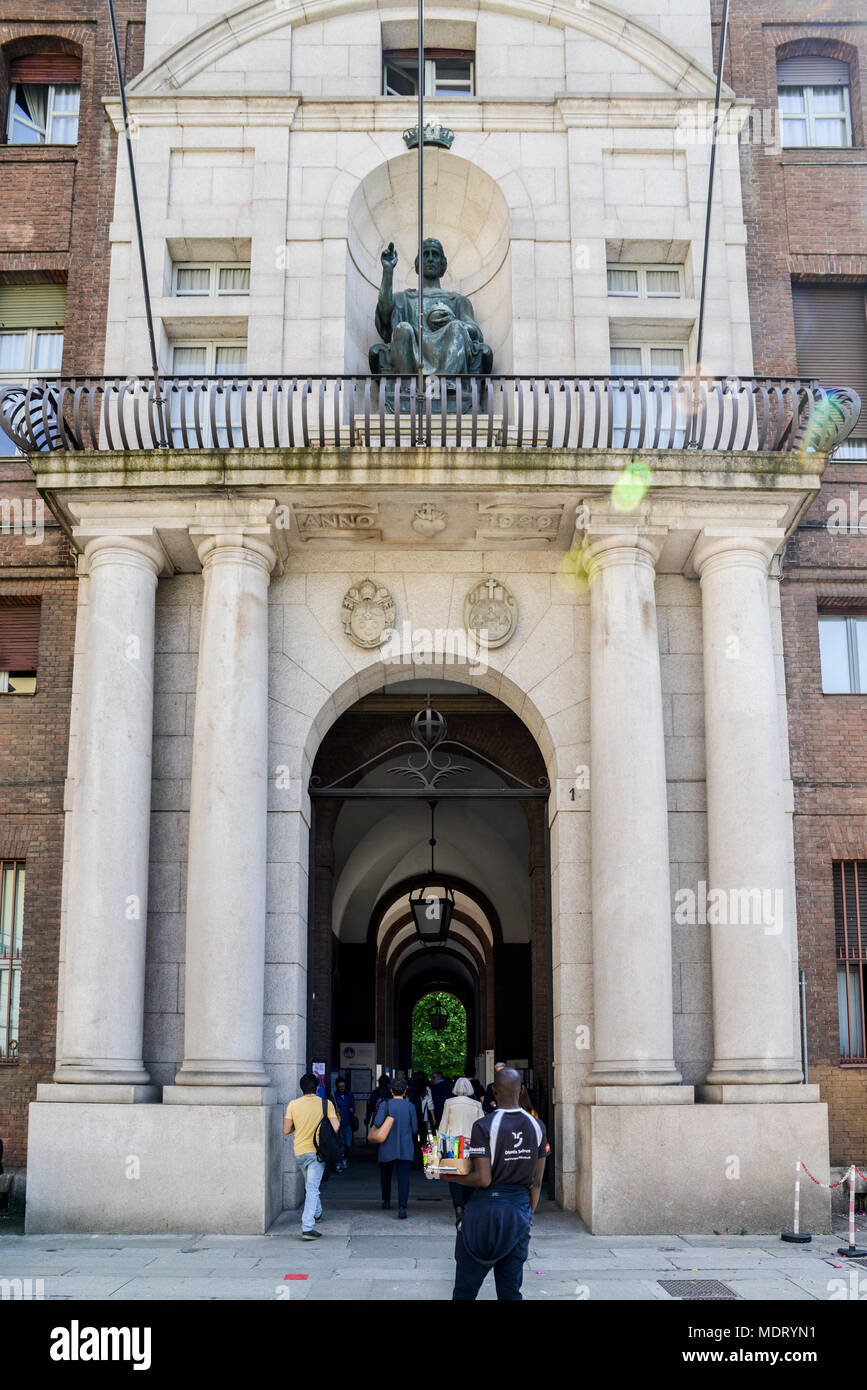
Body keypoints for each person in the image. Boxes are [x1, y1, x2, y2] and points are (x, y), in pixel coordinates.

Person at [445, 1067, 550, 1301]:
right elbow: (537, 1181)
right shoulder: (537, 1126)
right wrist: (528, 1214)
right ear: (521, 1090)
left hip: (483, 1214)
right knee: (510, 1292)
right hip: (518, 1212)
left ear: (495, 1091)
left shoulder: (484, 1125)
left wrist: (451, 1176)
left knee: (465, 1290)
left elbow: (483, 1179)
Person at [283, 1072, 340, 1240]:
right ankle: (307, 1228)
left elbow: (286, 1130)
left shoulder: (293, 1105)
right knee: (312, 1187)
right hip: (317, 1152)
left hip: (300, 1151)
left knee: (311, 1186)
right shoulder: (325, 1104)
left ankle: (317, 1213)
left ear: (301, 1088)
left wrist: (299, 1126)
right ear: (317, 1088)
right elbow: (335, 1126)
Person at [438, 1077, 484, 1225]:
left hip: (453, 1143)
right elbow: (482, 1125)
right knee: (470, 1173)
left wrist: (440, 1148)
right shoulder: (477, 1104)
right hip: (471, 1143)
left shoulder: (449, 1103)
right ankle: (468, 1204)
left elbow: (443, 1126)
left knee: (454, 1175)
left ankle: (458, 1204)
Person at [372, 1076, 418, 1219]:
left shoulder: (385, 1105)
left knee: (385, 1175)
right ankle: (402, 1207)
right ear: (405, 1091)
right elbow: (415, 1128)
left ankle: (386, 1201)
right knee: (404, 1177)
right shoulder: (410, 1106)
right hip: (405, 1147)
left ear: (391, 1091)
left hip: (387, 1145)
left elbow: (378, 1122)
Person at [333, 1075, 356, 1171]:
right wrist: (335, 1109)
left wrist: (352, 1109)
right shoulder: (333, 1096)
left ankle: (344, 1158)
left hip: (347, 1122)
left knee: (348, 1144)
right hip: (336, 1123)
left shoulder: (349, 1095)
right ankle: (338, 1162)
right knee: (337, 1144)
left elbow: (353, 1106)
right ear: (337, 1086)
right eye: (340, 1086)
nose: (342, 1088)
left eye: (343, 1086)